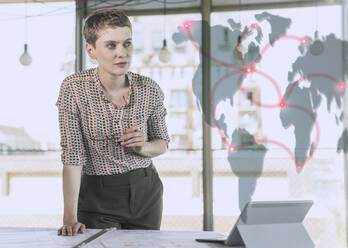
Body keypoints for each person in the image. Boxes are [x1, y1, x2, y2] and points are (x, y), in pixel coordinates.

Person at [56, 7, 170, 236]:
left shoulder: (150, 89)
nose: (122, 53)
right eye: (111, 45)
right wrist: (70, 218)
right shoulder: (74, 88)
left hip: (146, 191)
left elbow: (163, 143)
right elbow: (73, 156)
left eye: (127, 43)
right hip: (97, 196)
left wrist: (143, 146)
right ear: (91, 50)